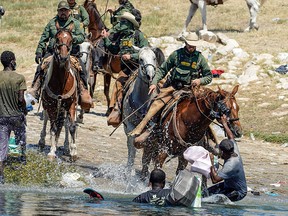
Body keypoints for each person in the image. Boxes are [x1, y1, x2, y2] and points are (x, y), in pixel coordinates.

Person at [129, 35, 212, 143]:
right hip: (173, 87)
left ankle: (209, 139)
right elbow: (163, 70)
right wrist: (154, 83)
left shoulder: (200, 58)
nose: (191, 47)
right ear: (186, 44)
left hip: (191, 90)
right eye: (190, 45)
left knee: (204, 111)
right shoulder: (176, 55)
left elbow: (209, 76)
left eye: (193, 46)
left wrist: (200, 81)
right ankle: (150, 128)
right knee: (157, 104)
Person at [29, 1, 91, 108]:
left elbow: (81, 37)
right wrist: (39, 51)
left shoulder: (75, 23)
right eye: (61, 10)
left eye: (65, 10)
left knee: (81, 69)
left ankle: (83, 91)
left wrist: (70, 39)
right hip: (52, 52)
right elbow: (44, 37)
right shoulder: (52, 23)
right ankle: (35, 89)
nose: (63, 13)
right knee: (41, 67)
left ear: (69, 11)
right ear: (58, 12)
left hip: (71, 52)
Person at [101, 11, 149, 126]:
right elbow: (113, 50)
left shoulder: (139, 36)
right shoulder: (121, 37)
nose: (120, 24)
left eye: (123, 22)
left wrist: (131, 56)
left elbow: (146, 52)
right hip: (126, 70)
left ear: (129, 23)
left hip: (138, 69)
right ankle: (115, 110)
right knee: (117, 84)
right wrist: (105, 39)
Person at [0, 51, 27, 184]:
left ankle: (1, 177)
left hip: (2, 118)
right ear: (12, 61)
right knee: (21, 139)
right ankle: (23, 161)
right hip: (16, 116)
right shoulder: (19, 78)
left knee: (3, 147)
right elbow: (21, 99)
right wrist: (24, 110)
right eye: (15, 60)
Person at [206, 114, 247, 202]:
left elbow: (215, 179)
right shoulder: (233, 148)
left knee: (210, 201)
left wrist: (211, 162)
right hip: (228, 185)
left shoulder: (230, 165)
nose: (219, 153)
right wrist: (224, 124)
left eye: (220, 151)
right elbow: (231, 136)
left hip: (237, 192)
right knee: (205, 194)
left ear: (224, 152)